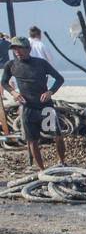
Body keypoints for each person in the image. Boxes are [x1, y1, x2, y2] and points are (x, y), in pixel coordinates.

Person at [1, 37, 66, 171]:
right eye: (14, 49)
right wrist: (13, 93)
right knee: (32, 140)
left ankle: (62, 162)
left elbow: (59, 78)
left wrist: (50, 92)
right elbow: (4, 82)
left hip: (45, 106)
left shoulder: (40, 63)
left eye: (20, 48)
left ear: (28, 49)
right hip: (27, 108)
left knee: (58, 136)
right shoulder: (11, 65)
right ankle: (42, 170)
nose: (17, 51)